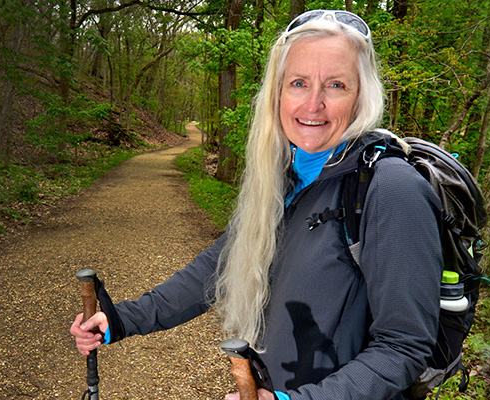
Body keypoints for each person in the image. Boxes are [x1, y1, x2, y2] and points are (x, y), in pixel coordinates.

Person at [70, 9, 442, 400]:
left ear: (361, 95)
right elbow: (222, 263)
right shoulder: (283, 177)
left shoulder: (391, 188)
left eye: (335, 85)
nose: (313, 104)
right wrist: (121, 320)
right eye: (298, 83)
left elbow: (404, 347)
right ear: (278, 92)